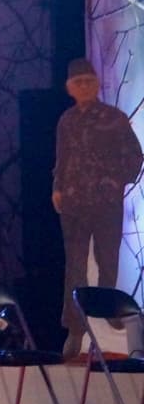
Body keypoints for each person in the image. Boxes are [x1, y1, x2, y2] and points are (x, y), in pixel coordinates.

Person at [53, 57, 143, 358]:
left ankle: (109, 311)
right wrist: (57, 188)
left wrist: (117, 181)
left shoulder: (114, 118)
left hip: (106, 203)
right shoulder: (66, 121)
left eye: (89, 81)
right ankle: (75, 329)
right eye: (78, 82)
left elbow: (135, 156)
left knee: (108, 261)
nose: (84, 87)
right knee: (74, 266)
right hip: (75, 205)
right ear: (69, 88)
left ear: (97, 84)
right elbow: (61, 160)